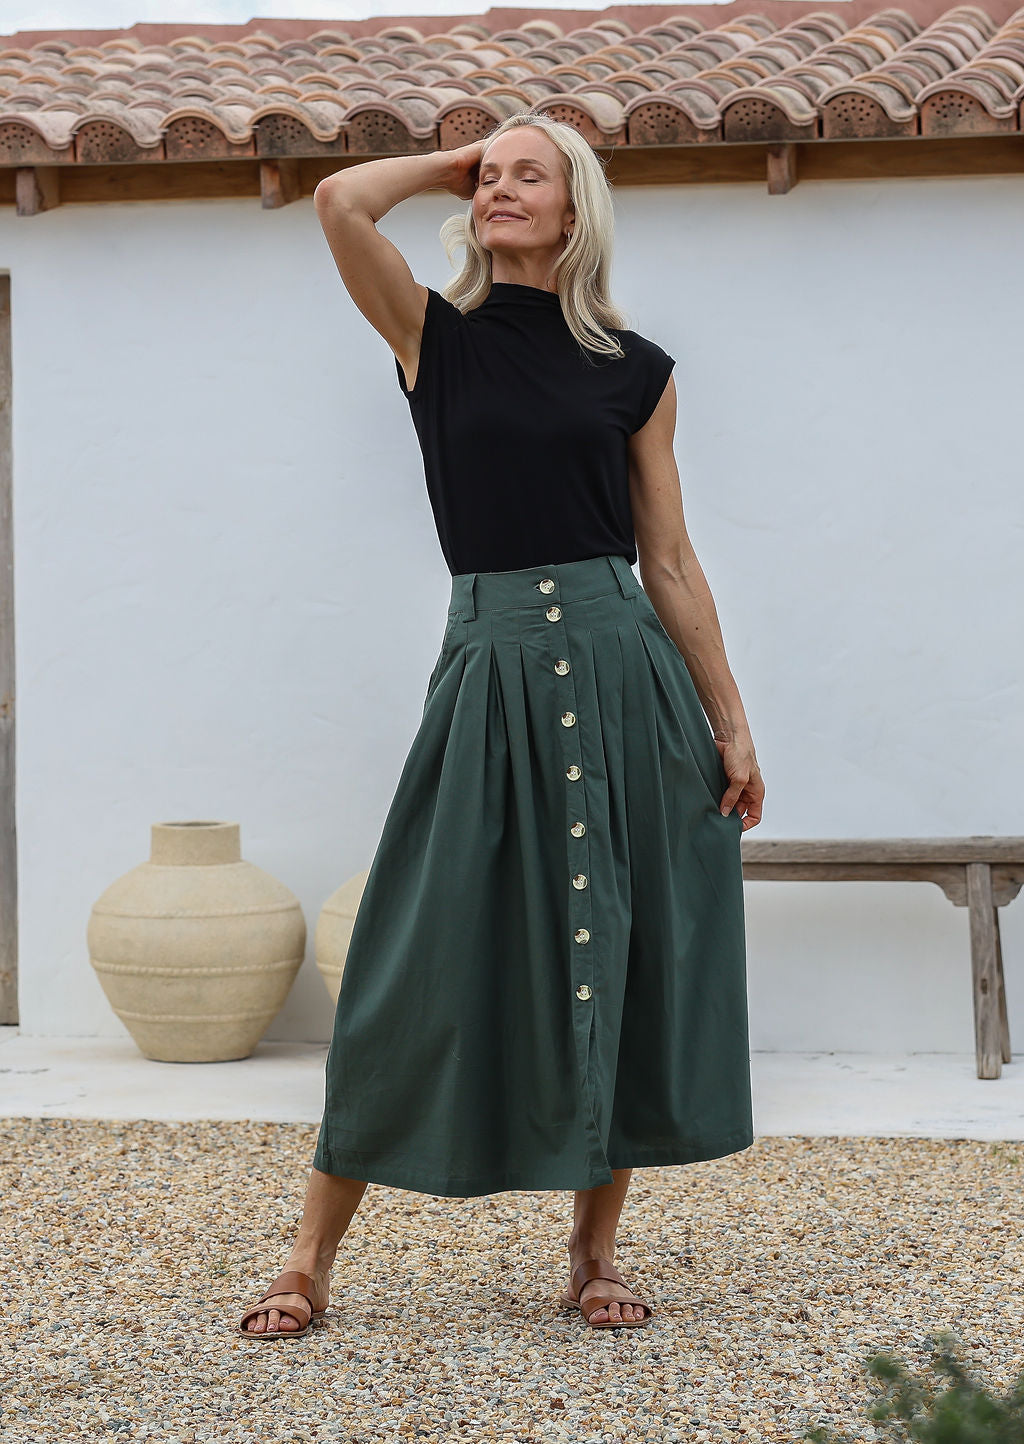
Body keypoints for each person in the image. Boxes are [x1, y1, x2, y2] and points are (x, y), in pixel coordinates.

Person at [238, 110, 764, 1339]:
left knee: (620, 945)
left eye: (531, 175)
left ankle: (591, 1254)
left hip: (624, 663)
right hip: (488, 668)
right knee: (412, 957)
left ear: (577, 210)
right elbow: (338, 204)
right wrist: (457, 155)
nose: (499, 190)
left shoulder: (638, 370)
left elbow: (671, 559)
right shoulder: (437, 338)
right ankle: (308, 1260)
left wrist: (730, 723)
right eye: (490, 178)